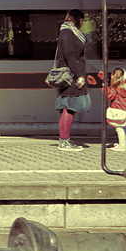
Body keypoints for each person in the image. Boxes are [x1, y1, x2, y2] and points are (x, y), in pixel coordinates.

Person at [53, 8, 90, 150]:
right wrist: (79, 75)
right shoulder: (67, 32)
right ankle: (64, 141)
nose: (82, 23)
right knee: (68, 108)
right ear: (76, 19)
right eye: (82, 19)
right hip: (70, 76)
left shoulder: (69, 32)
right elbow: (69, 56)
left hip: (71, 74)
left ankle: (65, 140)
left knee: (68, 108)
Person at [105, 68, 126, 150]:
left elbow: (109, 96)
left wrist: (105, 86)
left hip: (117, 110)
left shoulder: (116, 87)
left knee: (119, 128)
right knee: (124, 127)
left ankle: (122, 145)